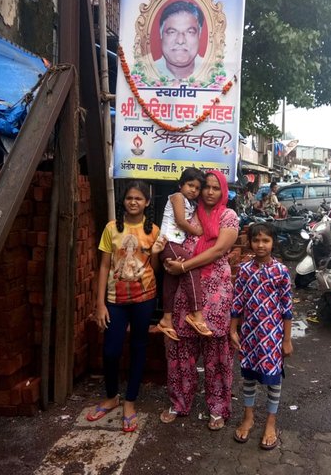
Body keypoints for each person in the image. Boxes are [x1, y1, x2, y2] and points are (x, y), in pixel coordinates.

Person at [159, 170, 239, 430]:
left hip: (216, 292)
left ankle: (217, 408)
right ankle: (179, 402)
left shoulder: (229, 217)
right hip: (187, 291)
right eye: (207, 187)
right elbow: (171, 237)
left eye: (216, 188)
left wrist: (183, 267)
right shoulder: (189, 213)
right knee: (180, 349)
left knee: (217, 353)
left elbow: (218, 250)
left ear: (223, 190)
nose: (210, 192)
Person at [86, 181, 161, 432]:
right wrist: (99, 304)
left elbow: (155, 267)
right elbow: (105, 266)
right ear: (123, 201)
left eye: (139, 198)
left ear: (147, 203)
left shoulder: (154, 230)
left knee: (139, 348)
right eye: (129, 198)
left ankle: (130, 401)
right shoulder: (111, 228)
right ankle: (111, 396)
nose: (133, 202)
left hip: (144, 298)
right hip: (114, 300)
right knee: (111, 350)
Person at [230, 222, 293, 450]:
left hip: (273, 335)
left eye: (265, 240)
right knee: (248, 376)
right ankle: (248, 416)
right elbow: (237, 303)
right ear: (250, 242)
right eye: (256, 240)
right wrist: (232, 329)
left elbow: (287, 309)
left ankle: (270, 422)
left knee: (273, 379)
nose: (260, 245)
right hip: (249, 334)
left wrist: (286, 339)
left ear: (273, 243)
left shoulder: (281, 272)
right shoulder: (245, 270)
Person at [156, 167, 212, 341]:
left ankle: (166, 319)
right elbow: (180, 221)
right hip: (169, 243)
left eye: (197, 188)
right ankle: (197, 314)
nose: (193, 190)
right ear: (181, 184)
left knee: (171, 279)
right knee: (191, 267)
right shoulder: (177, 197)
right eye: (190, 185)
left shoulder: (192, 203)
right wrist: (199, 232)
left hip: (176, 245)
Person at [154, 0, 204, 80]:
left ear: (199, 35)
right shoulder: (145, 72)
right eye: (172, 32)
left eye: (190, 32)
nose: (180, 41)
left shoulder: (214, 72)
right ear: (161, 34)